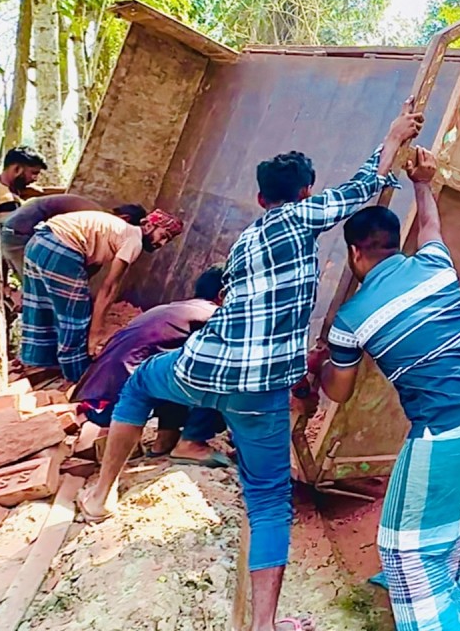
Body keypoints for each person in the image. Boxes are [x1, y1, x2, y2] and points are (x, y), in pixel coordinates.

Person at [76, 102, 426, 631]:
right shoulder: (297, 218)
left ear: (260, 198)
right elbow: (359, 189)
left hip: (202, 367)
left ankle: (100, 494)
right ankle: (262, 626)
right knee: (268, 504)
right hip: (258, 391)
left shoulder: (247, 239)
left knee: (140, 385)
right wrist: (394, 135)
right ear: (303, 194)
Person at [317, 146, 460, 631]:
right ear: (394, 244)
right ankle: (443, 587)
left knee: (401, 545)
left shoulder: (351, 319)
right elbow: (431, 228)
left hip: (446, 428)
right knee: (448, 509)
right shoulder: (434, 265)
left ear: (356, 254)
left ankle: (431, 618)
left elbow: (337, 393)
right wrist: (423, 182)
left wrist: (320, 364)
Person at [74, 265, 230, 466]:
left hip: (100, 390)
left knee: (175, 362)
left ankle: (165, 439)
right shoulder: (213, 314)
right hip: (122, 399)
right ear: (222, 294)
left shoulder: (175, 308)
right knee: (223, 367)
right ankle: (191, 443)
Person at [20, 208, 184, 382]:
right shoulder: (134, 239)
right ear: (149, 225)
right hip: (62, 247)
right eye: (163, 235)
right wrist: (95, 334)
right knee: (76, 317)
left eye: (168, 240)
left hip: (38, 242)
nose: (162, 243)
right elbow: (110, 286)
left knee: (42, 305)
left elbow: (89, 270)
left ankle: (40, 361)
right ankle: (77, 375)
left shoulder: (116, 230)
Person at [0, 196, 145, 279]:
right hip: (19, 233)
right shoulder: (97, 218)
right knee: (37, 288)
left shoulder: (95, 217)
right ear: (124, 219)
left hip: (16, 231)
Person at [0, 146, 48, 219]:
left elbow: (40, 191)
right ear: (17, 169)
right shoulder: (6, 199)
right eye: (34, 173)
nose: (35, 179)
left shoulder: (0, 186)